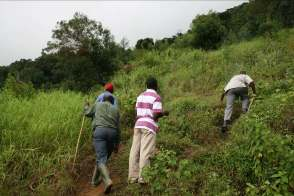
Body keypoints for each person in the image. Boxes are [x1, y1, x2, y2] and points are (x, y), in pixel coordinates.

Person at [128, 77, 169, 184]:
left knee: (134, 151)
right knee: (145, 151)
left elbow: (137, 112)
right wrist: (164, 113)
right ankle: (144, 178)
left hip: (138, 125)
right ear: (156, 86)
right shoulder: (156, 97)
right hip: (148, 125)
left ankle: (133, 177)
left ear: (146, 86)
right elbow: (155, 115)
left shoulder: (140, 96)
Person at [84, 95, 120, 194]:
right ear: (112, 102)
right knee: (102, 159)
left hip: (100, 132)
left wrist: (86, 106)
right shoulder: (116, 110)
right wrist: (117, 144)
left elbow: (87, 113)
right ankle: (95, 181)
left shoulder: (98, 105)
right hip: (113, 134)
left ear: (103, 100)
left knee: (101, 159)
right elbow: (118, 129)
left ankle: (107, 180)